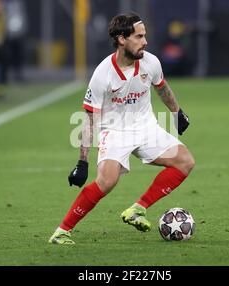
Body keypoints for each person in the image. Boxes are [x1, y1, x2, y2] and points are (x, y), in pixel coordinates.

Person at [49, 12, 195, 245]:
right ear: (121, 39)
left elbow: (162, 88)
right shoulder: (102, 74)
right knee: (107, 181)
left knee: (185, 161)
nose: (145, 42)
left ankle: (138, 209)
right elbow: (89, 119)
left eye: (144, 36)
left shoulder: (150, 62)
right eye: (139, 36)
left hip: (147, 127)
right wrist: (82, 162)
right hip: (114, 131)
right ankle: (62, 231)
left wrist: (177, 113)